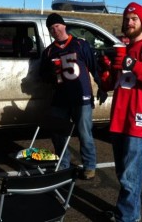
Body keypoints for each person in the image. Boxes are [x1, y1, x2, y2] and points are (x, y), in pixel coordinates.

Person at [100, 2, 142, 222]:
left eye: (134, 19)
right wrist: (105, 69)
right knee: (123, 174)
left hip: (139, 119)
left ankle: (127, 218)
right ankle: (128, 214)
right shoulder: (123, 49)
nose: (129, 23)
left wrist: (134, 64)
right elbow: (111, 84)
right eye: (126, 19)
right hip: (119, 119)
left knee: (131, 176)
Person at [40, 13, 106, 180]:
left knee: (84, 133)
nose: (55, 30)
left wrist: (101, 86)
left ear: (64, 26)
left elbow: (93, 66)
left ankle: (89, 166)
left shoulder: (80, 44)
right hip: (60, 98)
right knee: (57, 133)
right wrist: (51, 73)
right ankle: (63, 163)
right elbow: (42, 76)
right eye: (51, 28)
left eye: (57, 26)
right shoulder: (49, 51)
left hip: (81, 97)